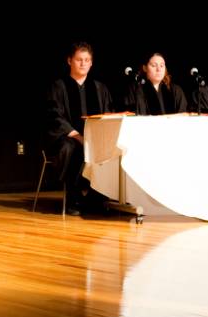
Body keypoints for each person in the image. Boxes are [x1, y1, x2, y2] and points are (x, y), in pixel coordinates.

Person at [44, 42, 113, 215]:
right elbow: (53, 115)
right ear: (69, 61)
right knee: (71, 147)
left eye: (87, 60)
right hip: (67, 138)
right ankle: (73, 197)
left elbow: (108, 115)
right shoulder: (58, 87)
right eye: (79, 60)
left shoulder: (100, 88)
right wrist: (77, 135)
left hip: (96, 139)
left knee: (111, 148)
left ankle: (96, 197)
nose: (83, 63)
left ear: (91, 63)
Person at [123, 51, 188, 115]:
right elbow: (129, 114)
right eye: (154, 65)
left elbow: (182, 116)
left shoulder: (175, 90)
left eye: (162, 66)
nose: (158, 69)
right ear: (145, 68)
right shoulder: (136, 89)